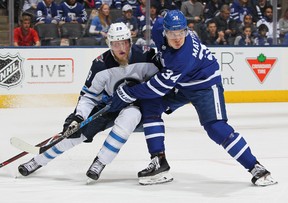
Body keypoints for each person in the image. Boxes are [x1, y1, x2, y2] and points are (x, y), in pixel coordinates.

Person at [108, 10, 277, 186]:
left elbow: (157, 87)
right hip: (182, 82)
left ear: (186, 31)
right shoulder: (159, 27)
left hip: (205, 85)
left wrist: (128, 92)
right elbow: (161, 21)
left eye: (181, 32)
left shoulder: (183, 56)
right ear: (164, 31)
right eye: (173, 33)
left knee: (216, 128)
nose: (178, 38)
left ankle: (257, 168)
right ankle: (159, 162)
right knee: (151, 104)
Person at [17, 22, 162, 182]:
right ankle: (36, 161)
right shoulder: (100, 65)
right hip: (108, 107)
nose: (121, 48)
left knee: (129, 116)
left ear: (130, 41)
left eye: (124, 42)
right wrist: (78, 117)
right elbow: (89, 96)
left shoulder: (147, 56)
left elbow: (161, 80)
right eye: (116, 44)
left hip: (137, 107)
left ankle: (100, 162)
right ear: (109, 44)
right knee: (74, 133)